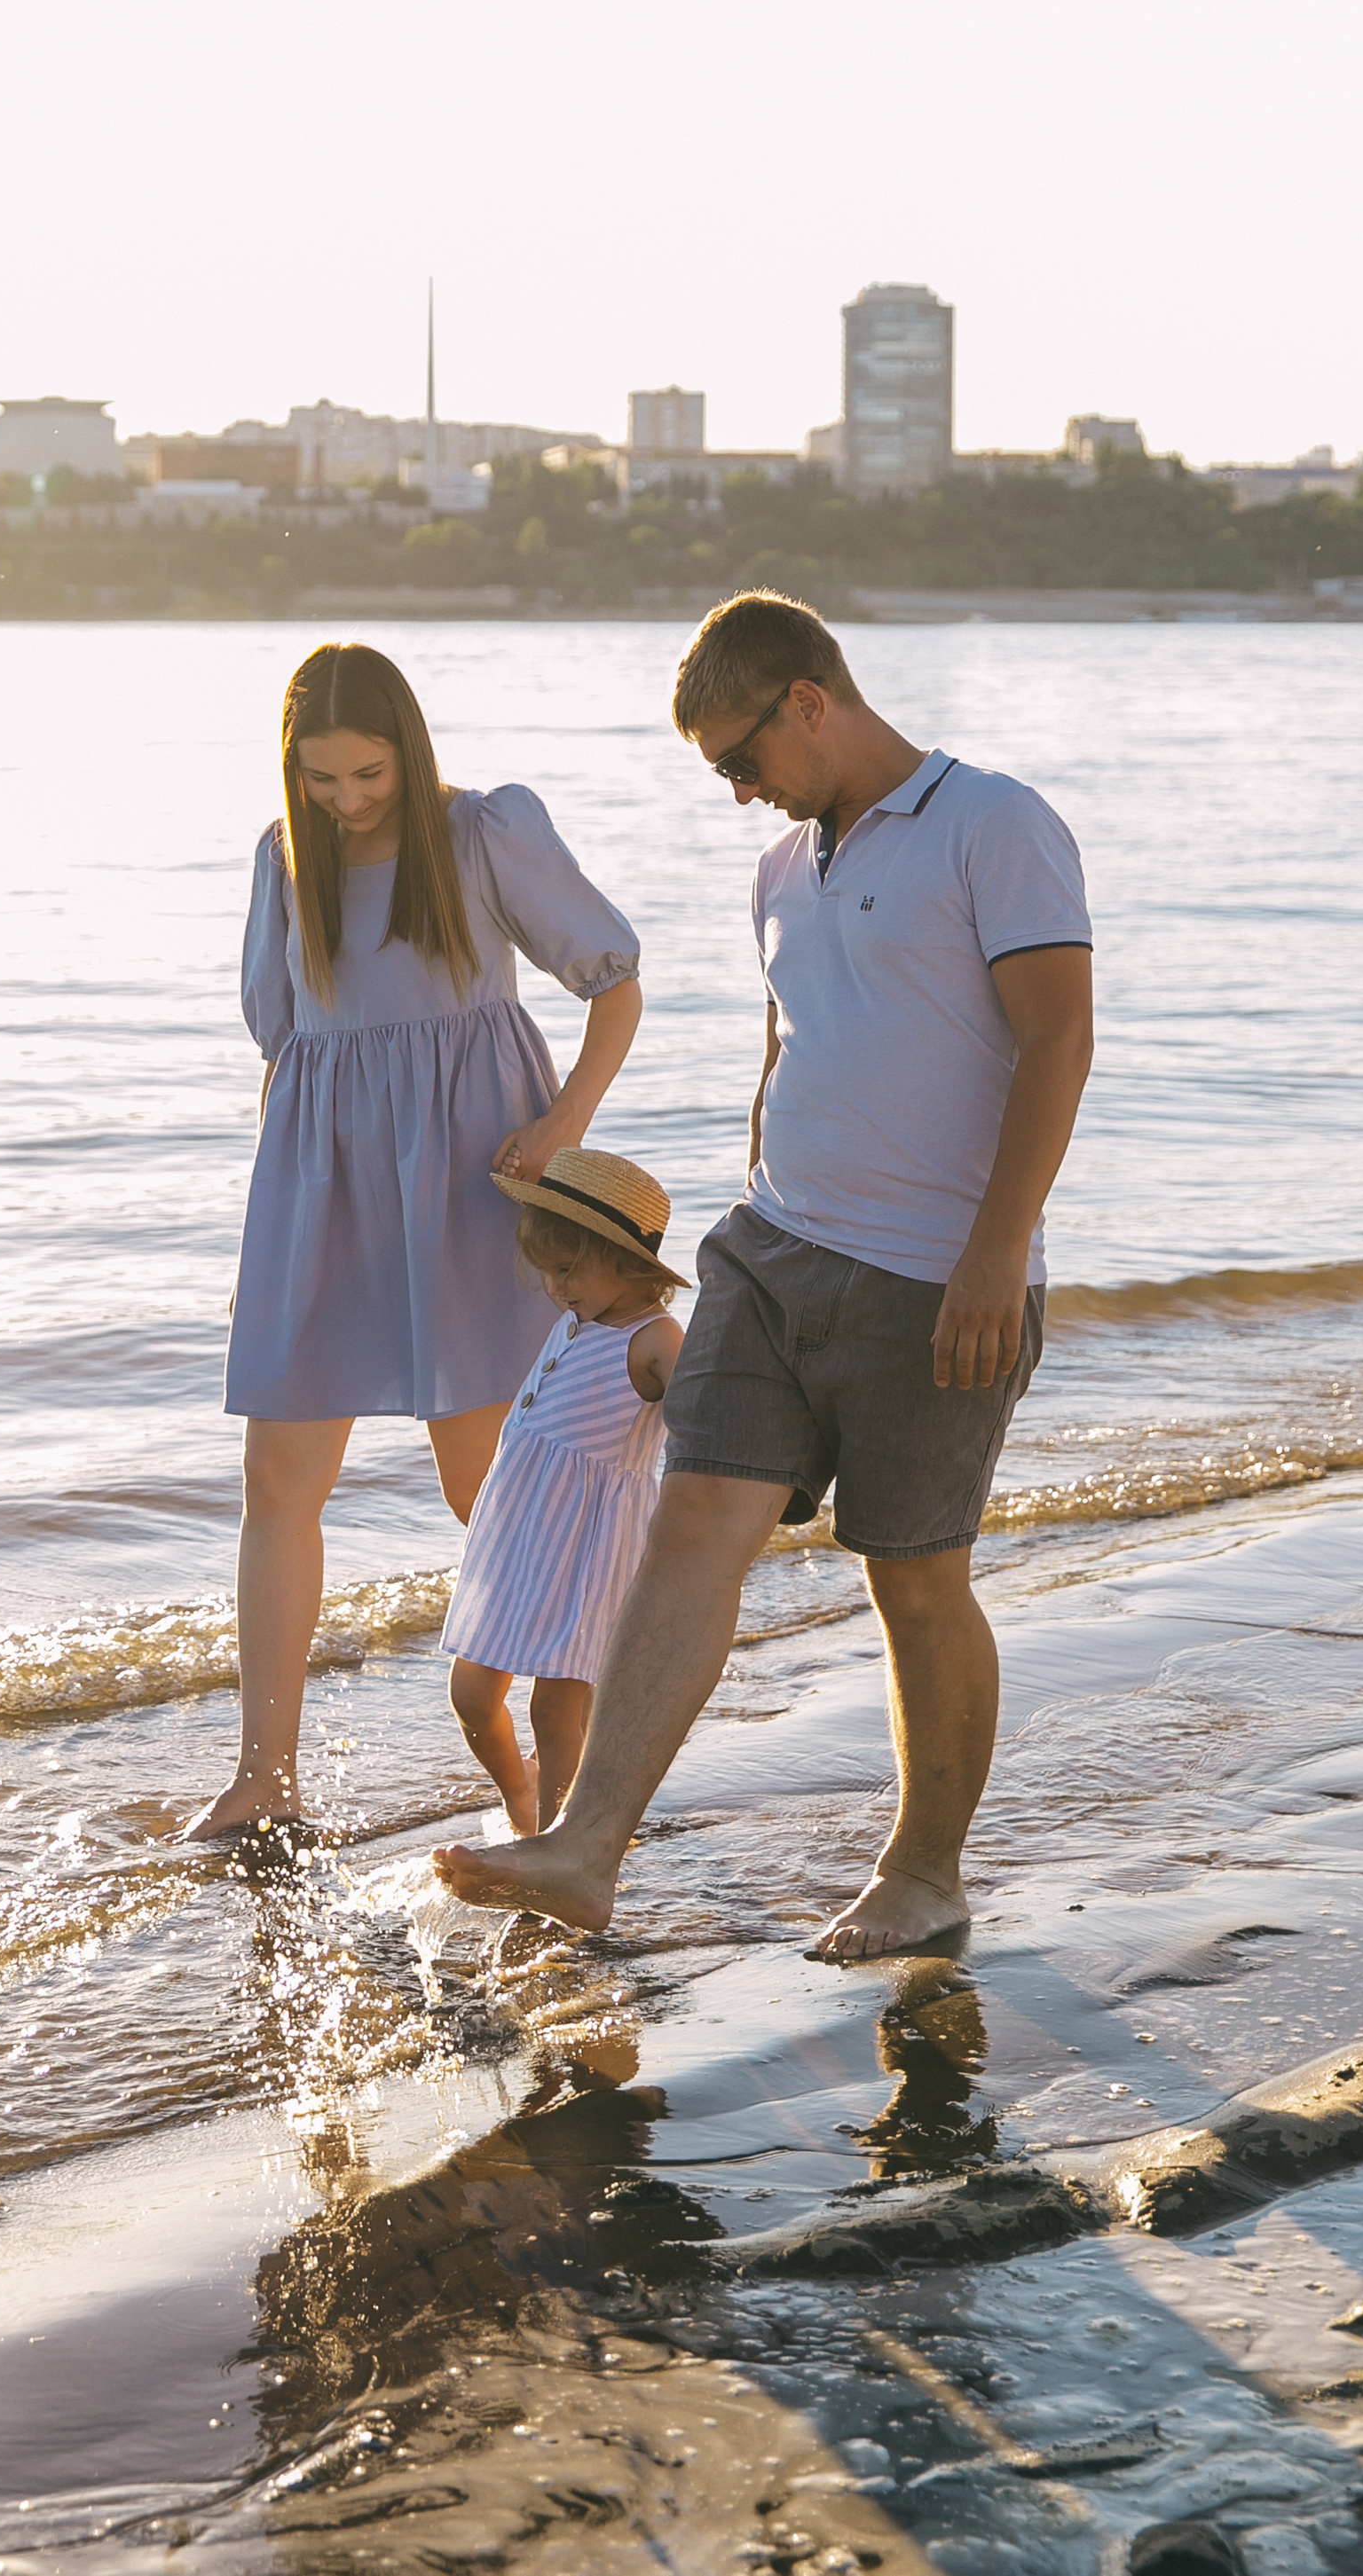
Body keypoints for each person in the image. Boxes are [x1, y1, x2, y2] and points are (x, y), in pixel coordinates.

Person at [434, 593, 1093, 1956]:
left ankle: (924, 1873)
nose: (739, 791)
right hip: (770, 1253)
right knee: (690, 1527)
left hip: (934, 1274)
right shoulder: (782, 868)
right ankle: (585, 1850)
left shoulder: (996, 824)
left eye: (743, 758)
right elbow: (787, 1051)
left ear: (808, 700)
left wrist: (995, 1250)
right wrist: (752, 1194)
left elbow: (1058, 1040)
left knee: (914, 1578)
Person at [187, 641, 642, 1842]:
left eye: (369, 773)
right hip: (320, 1185)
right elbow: (287, 1048)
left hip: (475, 1184)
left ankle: (572, 1769)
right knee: (278, 1478)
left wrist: (563, 1125)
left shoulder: (481, 835)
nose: (346, 799)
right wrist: (266, 1251)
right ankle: (266, 1779)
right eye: (321, 777)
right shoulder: (285, 859)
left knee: (485, 1486)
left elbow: (615, 984)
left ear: (409, 749)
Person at [440, 1150, 687, 1836]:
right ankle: (519, 1797)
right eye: (546, 1270)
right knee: (471, 1694)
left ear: (626, 1261)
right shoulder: (579, 1318)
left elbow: (706, 1419)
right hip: (517, 1540)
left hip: (587, 1552)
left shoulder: (655, 1340)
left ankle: (558, 1838)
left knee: (555, 1709)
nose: (554, 1286)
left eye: (569, 1268)